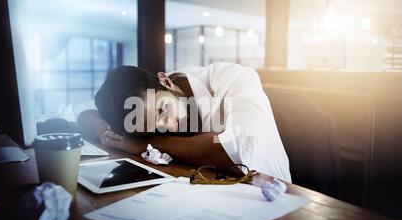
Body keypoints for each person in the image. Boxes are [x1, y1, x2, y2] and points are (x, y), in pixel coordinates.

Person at [77, 63, 291, 182]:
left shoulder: (235, 79)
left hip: (272, 196)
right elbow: (84, 114)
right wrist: (108, 134)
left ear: (166, 81)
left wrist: (146, 144)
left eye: (163, 111)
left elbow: (241, 152)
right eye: (155, 130)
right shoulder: (146, 100)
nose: (169, 126)